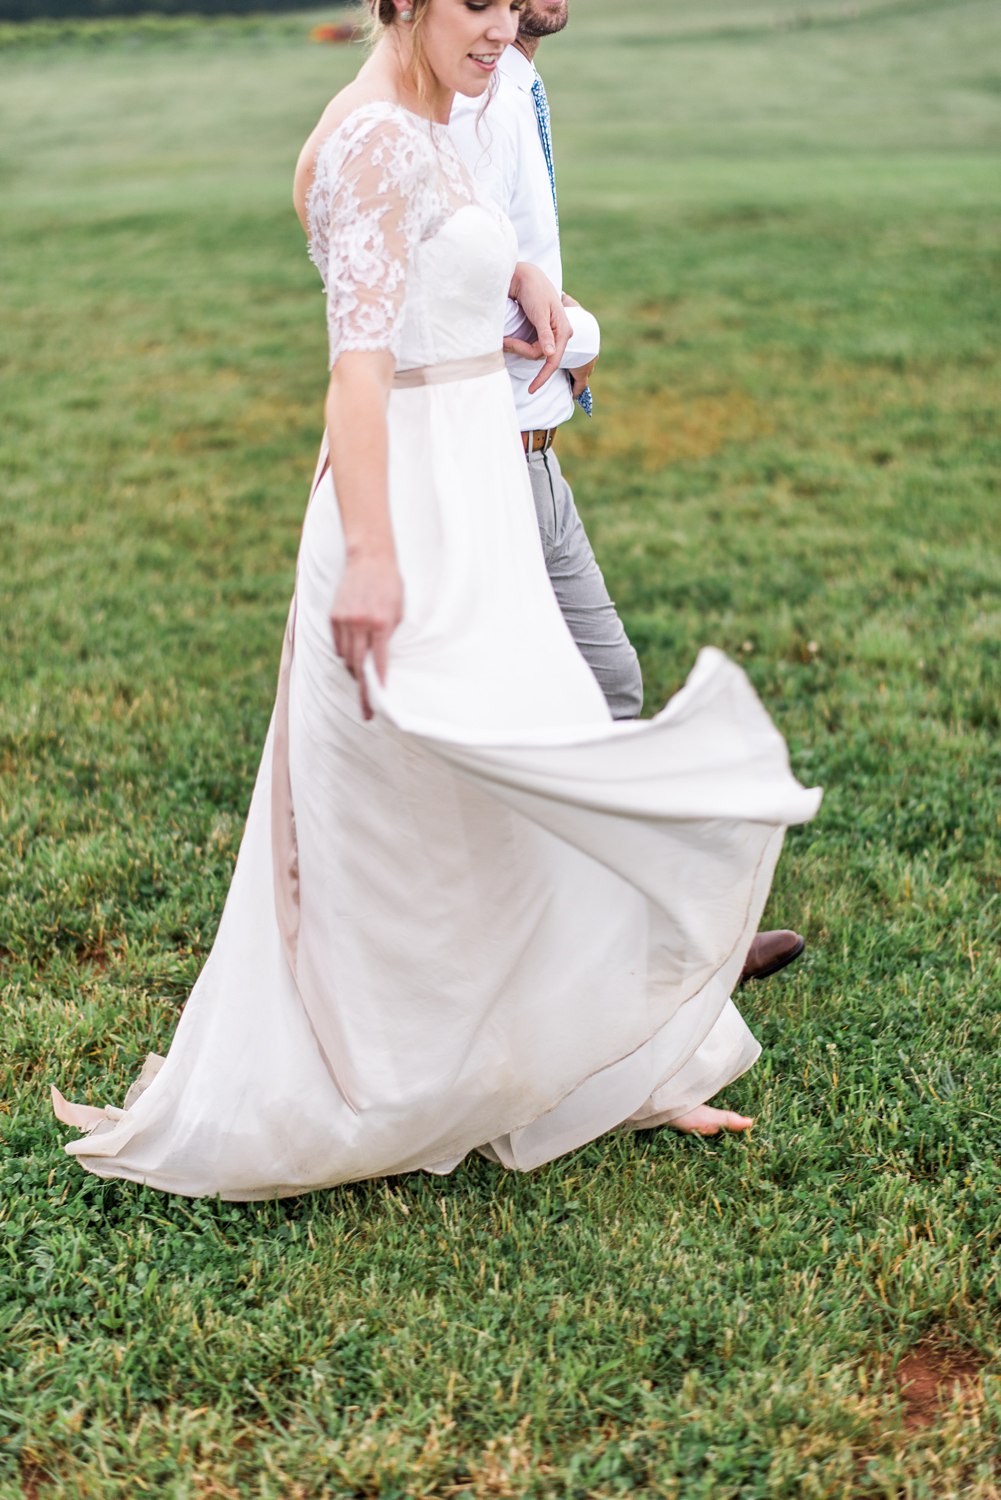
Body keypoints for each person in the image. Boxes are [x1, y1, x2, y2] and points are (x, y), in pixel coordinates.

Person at [52, 0, 820, 1201]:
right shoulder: (367, 138)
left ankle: (592, 1057)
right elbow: (357, 367)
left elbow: (448, 243)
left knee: (512, 776)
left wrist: (517, 278)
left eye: (511, 7)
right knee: (403, 810)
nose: (503, 28)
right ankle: (398, 1076)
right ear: (403, 1)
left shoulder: (439, 117)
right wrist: (369, 555)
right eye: (477, 4)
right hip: (409, 505)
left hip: (476, 489)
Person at [449, 0, 805, 989]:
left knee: (594, 692)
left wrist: (555, 323)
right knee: (580, 697)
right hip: (487, 454)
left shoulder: (511, 79)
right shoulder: (471, 90)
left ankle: (647, 946)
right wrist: (578, 333)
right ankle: (649, 950)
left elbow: (514, 266)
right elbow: (464, 285)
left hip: (532, 449)